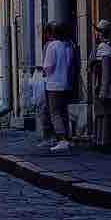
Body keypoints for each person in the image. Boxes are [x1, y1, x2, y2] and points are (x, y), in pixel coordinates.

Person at [89, 19, 111, 152]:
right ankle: (100, 141)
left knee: (104, 114)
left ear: (102, 33)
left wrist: (103, 90)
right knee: (101, 114)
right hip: (101, 84)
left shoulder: (104, 47)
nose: (96, 34)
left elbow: (106, 71)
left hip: (103, 86)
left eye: (98, 32)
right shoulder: (103, 46)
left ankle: (104, 142)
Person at [43, 22, 75, 153]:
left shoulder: (52, 46)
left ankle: (62, 139)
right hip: (65, 83)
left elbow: (48, 66)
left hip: (54, 84)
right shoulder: (66, 45)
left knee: (55, 112)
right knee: (63, 112)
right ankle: (67, 137)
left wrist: (45, 71)